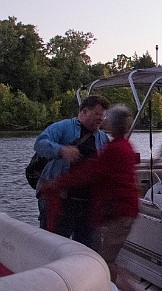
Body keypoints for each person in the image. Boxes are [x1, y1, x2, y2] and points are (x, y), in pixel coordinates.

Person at [45, 104, 140, 284]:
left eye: (107, 119)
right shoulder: (125, 145)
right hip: (122, 210)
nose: (104, 122)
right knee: (104, 257)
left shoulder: (115, 149)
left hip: (120, 212)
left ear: (113, 124)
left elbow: (90, 172)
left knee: (105, 261)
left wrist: (57, 183)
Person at [34, 95, 110, 249]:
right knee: (52, 246)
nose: (101, 119)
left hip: (89, 205)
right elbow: (39, 143)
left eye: (103, 116)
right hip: (60, 200)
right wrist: (61, 150)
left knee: (89, 250)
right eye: (97, 114)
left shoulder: (103, 138)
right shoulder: (63, 127)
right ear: (84, 111)